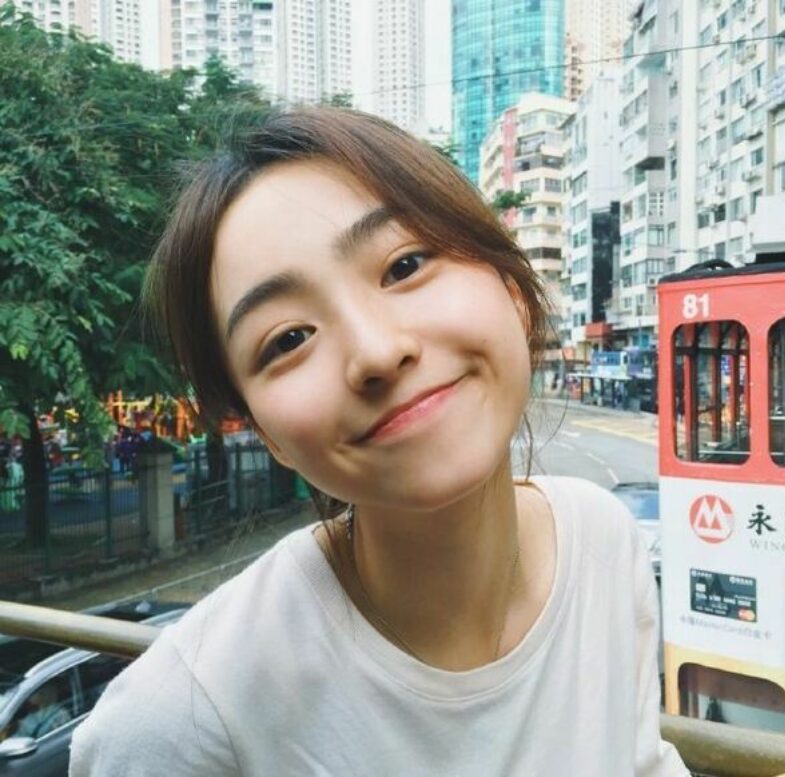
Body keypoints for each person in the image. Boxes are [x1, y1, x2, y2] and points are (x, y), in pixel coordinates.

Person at [70, 108, 688, 776]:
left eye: (404, 265)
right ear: (266, 432)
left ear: (513, 291)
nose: (376, 351)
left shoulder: (601, 540)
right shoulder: (182, 722)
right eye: (288, 339)